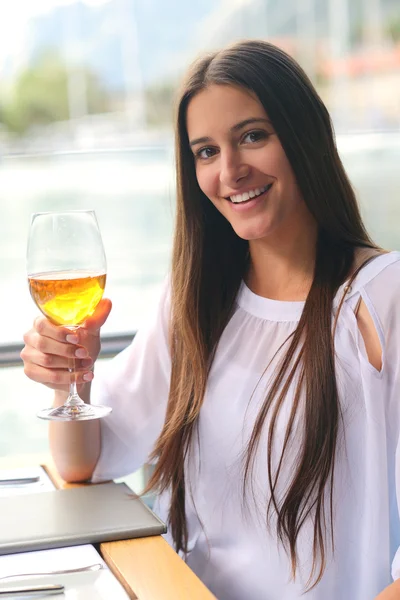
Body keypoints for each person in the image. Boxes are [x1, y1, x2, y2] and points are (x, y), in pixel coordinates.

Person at [21, 40, 400, 600]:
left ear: (306, 136)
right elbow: (85, 463)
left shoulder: (381, 300)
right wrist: (71, 379)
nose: (231, 170)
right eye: (205, 151)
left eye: (252, 136)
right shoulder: (197, 298)